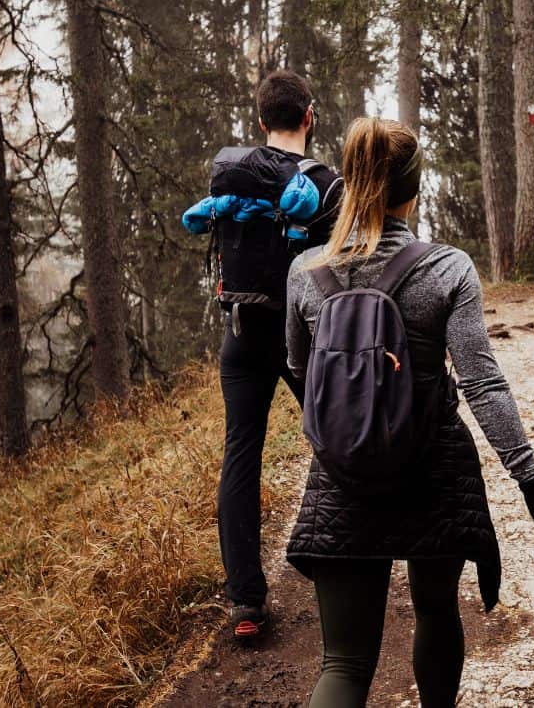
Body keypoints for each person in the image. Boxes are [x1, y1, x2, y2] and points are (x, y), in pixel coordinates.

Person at [284, 117, 534, 707]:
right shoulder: (447, 268)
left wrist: (348, 425)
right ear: (413, 189)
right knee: (437, 613)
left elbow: (301, 369)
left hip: (343, 479)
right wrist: (531, 484)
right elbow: (483, 382)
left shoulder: (306, 273)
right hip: (431, 469)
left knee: (344, 662)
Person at [196, 70, 342, 640]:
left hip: (240, 331)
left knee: (241, 458)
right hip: (305, 336)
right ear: (309, 116)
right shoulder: (326, 185)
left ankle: (246, 604)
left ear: (262, 122)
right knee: (336, 436)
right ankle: (346, 556)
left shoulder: (233, 174)